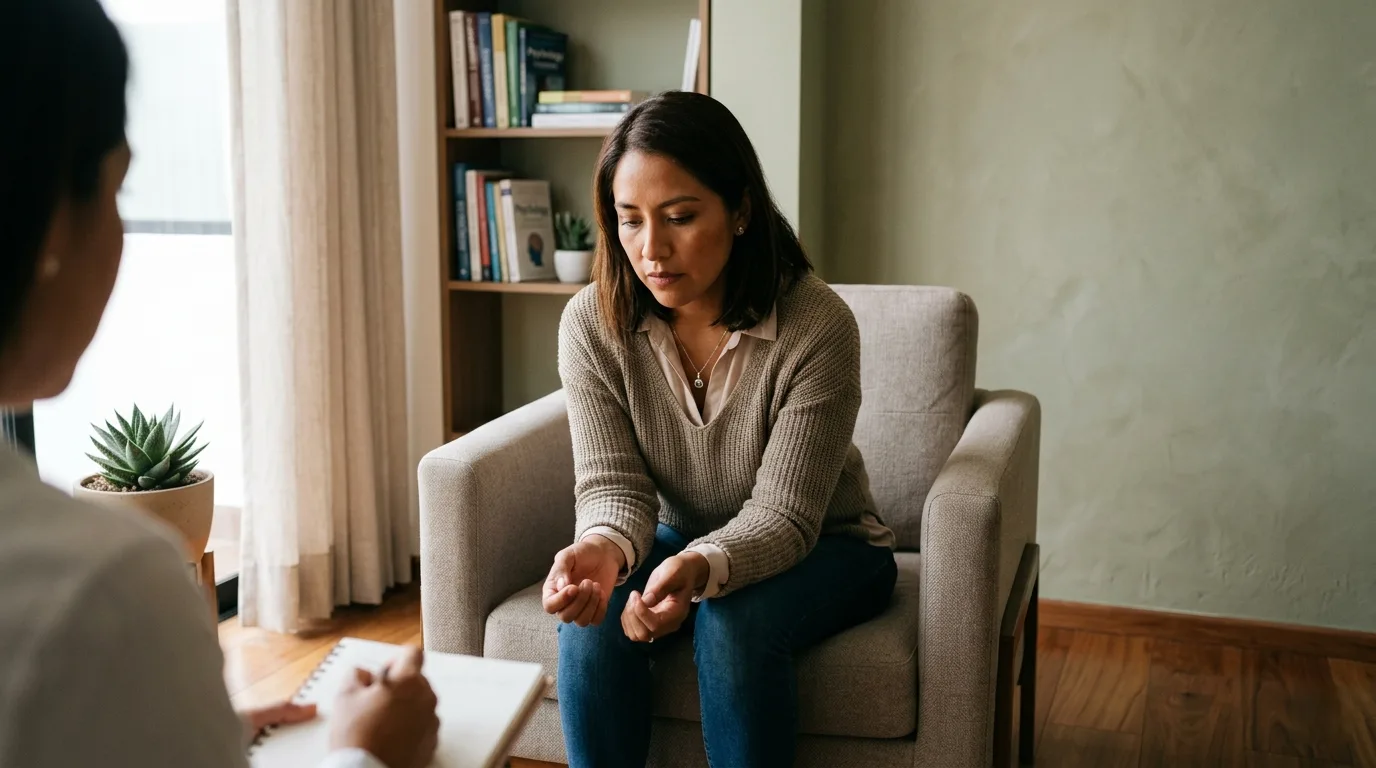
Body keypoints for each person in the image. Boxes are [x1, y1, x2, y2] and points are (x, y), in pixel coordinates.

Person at [0, 2, 439, 766]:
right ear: (49, 223)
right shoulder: (104, 590)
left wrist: (175, 731)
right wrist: (367, 752)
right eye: (118, 189)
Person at [542, 90, 900, 768]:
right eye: (630, 221)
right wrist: (605, 550)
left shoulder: (816, 326)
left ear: (740, 212)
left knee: (731, 622)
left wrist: (702, 568)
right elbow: (615, 485)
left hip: (832, 544)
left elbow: (787, 516)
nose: (652, 250)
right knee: (590, 619)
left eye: (679, 217)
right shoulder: (593, 324)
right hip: (682, 536)